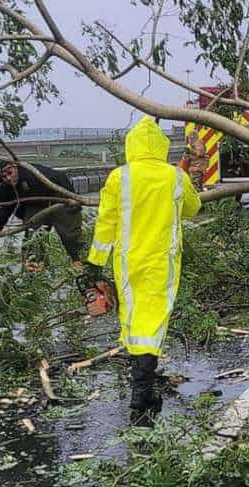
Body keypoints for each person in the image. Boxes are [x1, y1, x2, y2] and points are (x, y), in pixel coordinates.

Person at [85, 116, 202, 424]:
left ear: (131, 145)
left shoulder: (119, 177)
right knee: (152, 323)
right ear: (161, 146)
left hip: (127, 262)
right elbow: (193, 209)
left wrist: (94, 264)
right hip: (162, 263)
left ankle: (142, 386)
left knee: (134, 320)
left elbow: (105, 223)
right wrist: (187, 179)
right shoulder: (175, 177)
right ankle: (142, 392)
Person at [0, 161, 84, 271]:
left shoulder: (34, 173)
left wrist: (73, 200)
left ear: (16, 168)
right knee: (32, 234)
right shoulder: (6, 187)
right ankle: (36, 265)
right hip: (35, 204)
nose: (8, 178)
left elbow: (60, 177)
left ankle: (78, 260)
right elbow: (6, 208)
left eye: (10, 173)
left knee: (69, 233)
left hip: (59, 198)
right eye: (4, 176)